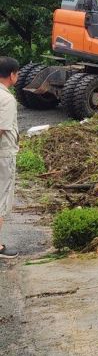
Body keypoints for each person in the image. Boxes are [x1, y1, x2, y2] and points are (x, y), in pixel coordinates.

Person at [0, 57, 20, 259]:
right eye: (17, 73)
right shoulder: (7, 99)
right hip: (3, 155)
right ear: (12, 74)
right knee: (1, 199)